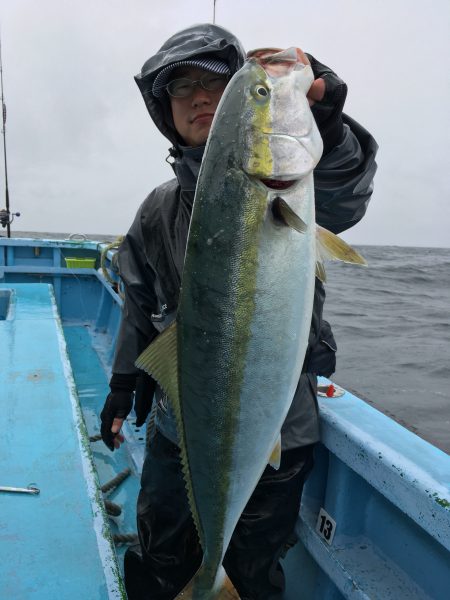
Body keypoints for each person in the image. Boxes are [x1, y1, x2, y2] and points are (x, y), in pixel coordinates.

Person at [100, 23, 378, 600]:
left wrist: (327, 123)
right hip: (183, 425)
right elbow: (138, 301)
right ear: (165, 110)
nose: (201, 97)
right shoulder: (158, 210)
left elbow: (347, 193)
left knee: (251, 569)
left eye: (216, 84)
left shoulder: (299, 182)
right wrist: (124, 385)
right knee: (163, 553)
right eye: (182, 89)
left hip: (282, 421)